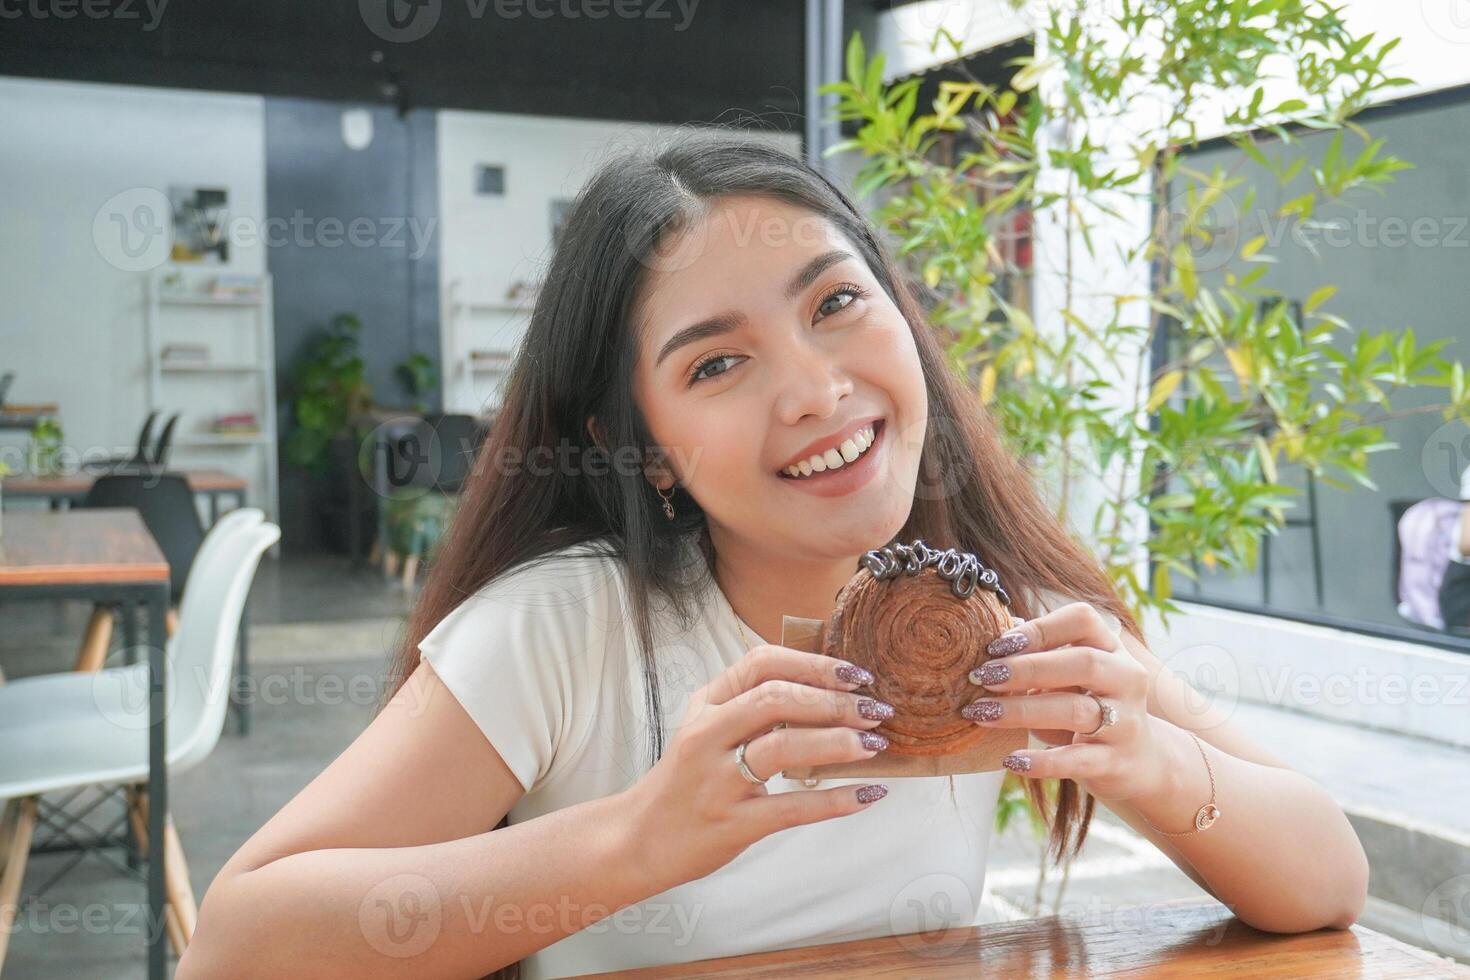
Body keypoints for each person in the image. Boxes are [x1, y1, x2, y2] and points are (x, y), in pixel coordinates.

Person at [180, 131, 1368, 979]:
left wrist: (1144, 753)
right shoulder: (566, 631)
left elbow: (1326, 883)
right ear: (638, 444)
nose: (812, 388)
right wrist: (639, 836)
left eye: (836, 304)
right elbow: (238, 942)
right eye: (715, 362)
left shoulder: (999, 623)